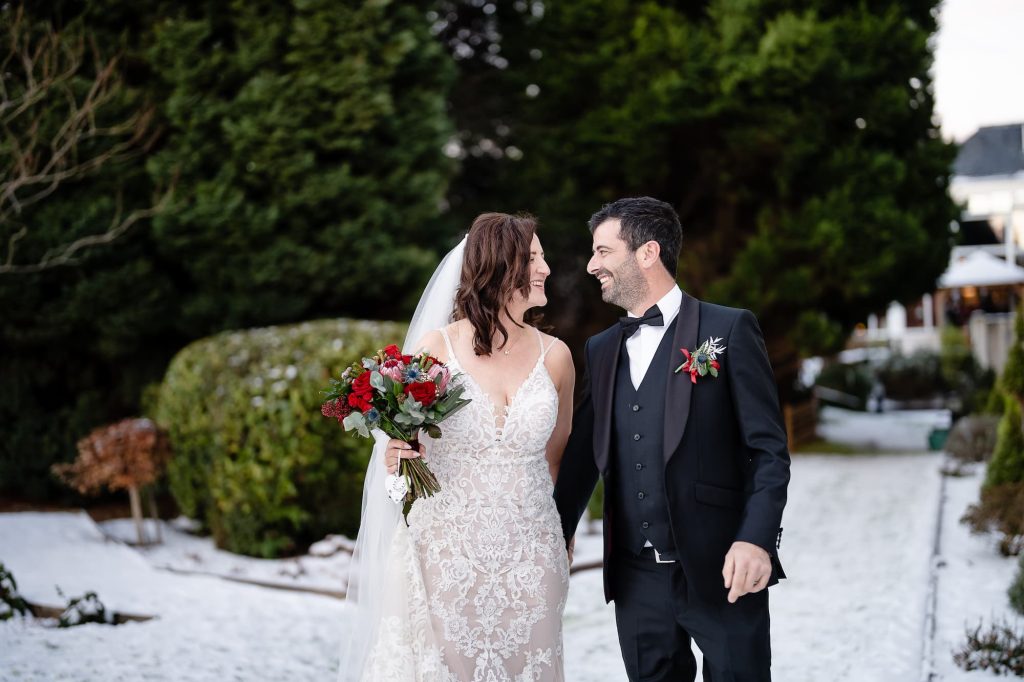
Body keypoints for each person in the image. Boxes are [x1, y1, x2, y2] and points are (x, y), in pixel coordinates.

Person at [554, 197, 790, 682]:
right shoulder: (601, 350)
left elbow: (768, 451)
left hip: (724, 566)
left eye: (603, 251)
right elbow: (581, 457)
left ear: (647, 253)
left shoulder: (728, 329)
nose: (591, 265)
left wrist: (756, 541)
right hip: (637, 576)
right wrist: (550, 533)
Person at [338, 213, 575, 681]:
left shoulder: (559, 357)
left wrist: (563, 537)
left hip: (533, 555)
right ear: (497, 266)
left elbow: (557, 457)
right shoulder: (436, 348)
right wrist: (397, 459)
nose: (546, 268)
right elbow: (404, 450)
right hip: (446, 552)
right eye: (533, 258)